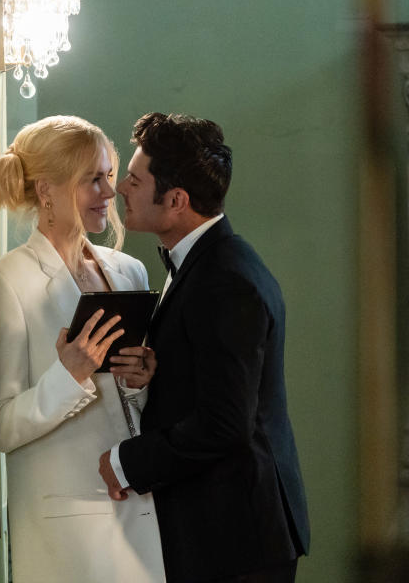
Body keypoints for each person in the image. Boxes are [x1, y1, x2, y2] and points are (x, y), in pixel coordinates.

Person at [99, 113, 310, 582]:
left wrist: (126, 463)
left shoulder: (224, 279)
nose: (120, 190)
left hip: (238, 539)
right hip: (226, 531)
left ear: (176, 201)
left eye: (134, 180)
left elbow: (225, 423)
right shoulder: (207, 263)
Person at [0, 115, 165, 582]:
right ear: (46, 189)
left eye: (109, 176)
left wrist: (141, 378)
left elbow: (132, 408)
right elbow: (3, 427)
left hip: (139, 509)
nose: (110, 193)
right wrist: (68, 376)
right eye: (93, 179)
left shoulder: (129, 271)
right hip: (67, 532)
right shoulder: (8, 280)